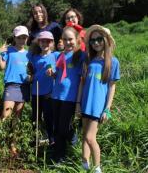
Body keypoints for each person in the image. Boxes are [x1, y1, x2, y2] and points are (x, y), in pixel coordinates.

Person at [80, 25, 120, 173]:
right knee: (84, 135)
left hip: (98, 107)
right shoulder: (88, 60)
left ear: (106, 41)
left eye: (99, 39)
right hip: (85, 103)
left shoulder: (113, 62)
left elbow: (112, 87)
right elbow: (82, 83)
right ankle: (84, 164)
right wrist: (78, 104)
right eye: (92, 40)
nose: (96, 43)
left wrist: (107, 109)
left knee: (90, 138)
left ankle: (97, 167)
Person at [47, 26, 86, 163]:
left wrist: (78, 102)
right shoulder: (60, 55)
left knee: (64, 128)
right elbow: (60, 74)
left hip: (70, 98)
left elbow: (82, 77)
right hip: (56, 96)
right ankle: (59, 157)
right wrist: (53, 74)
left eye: (70, 39)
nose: (68, 42)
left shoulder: (80, 55)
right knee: (56, 127)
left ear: (77, 40)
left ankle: (73, 142)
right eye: (65, 39)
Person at [0, 25, 30, 156]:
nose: (22, 40)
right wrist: (0, 54)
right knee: (6, 116)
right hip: (11, 85)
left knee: (17, 118)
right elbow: (1, 67)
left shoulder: (29, 53)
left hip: (24, 87)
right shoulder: (8, 50)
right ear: (15, 38)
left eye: (24, 37)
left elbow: (31, 70)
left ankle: (13, 144)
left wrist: (30, 77)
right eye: (19, 37)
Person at [30, 31, 57, 146]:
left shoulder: (56, 56)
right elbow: (31, 72)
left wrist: (53, 74)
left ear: (52, 43)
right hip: (36, 91)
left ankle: (51, 139)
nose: (45, 43)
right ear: (39, 42)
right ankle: (35, 139)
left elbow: (59, 73)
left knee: (48, 117)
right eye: (42, 41)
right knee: (35, 117)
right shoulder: (34, 57)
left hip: (49, 92)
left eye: (48, 41)